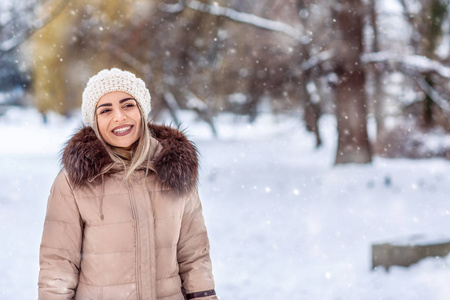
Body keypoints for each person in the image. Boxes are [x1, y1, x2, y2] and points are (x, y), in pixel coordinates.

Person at [38, 68, 218, 300]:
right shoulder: (75, 181)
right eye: (105, 110)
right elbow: (58, 264)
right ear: (95, 121)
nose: (119, 117)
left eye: (128, 105)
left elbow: (194, 255)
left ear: (142, 110)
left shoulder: (175, 171)